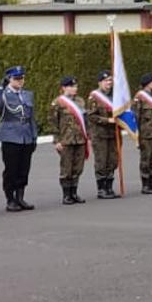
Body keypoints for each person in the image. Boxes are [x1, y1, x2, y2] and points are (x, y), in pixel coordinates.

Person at [0, 67, 37, 212]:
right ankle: (10, 199)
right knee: (11, 169)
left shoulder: (27, 94)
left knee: (24, 168)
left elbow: (31, 117)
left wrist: (34, 136)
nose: (20, 81)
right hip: (10, 136)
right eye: (16, 79)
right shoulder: (3, 94)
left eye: (22, 78)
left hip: (26, 135)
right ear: (9, 79)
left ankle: (20, 197)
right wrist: (0, 86)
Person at [50, 76, 89, 205]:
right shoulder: (58, 103)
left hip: (79, 139)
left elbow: (85, 120)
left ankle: (74, 192)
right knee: (66, 168)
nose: (74, 88)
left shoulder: (80, 101)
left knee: (78, 167)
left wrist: (87, 137)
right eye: (71, 86)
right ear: (64, 88)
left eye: (75, 86)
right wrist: (57, 141)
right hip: (66, 140)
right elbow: (53, 123)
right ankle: (66, 194)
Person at [86, 71, 122, 200]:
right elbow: (91, 116)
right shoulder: (94, 97)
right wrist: (107, 120)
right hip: (100, 134)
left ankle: (109, 187)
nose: (109, 83)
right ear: (100, 82)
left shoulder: (115, 96)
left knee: (112, 160)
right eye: (106, 81)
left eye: (110, 81)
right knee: (102, 161)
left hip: (113, 133)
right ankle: (101, 189)